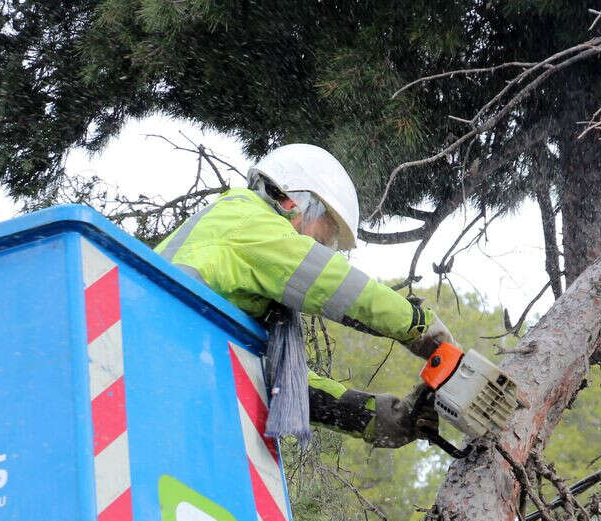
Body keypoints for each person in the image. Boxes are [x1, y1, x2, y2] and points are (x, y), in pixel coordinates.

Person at [155, 143, 453, 448]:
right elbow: (332, 282)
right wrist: (418, 325)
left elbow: (285, 386)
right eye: (322, 238)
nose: (320, 252)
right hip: (160, 359)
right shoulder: (244, 217)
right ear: (292, 202)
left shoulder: (248, 300)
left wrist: (389, 419)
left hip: (172, 382)